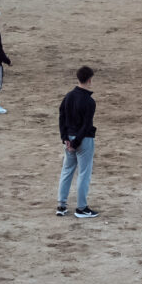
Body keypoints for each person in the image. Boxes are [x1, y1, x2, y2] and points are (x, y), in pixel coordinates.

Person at [57, 66, 99, 218]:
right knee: (84, 173)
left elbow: (61, 117)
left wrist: (65, 139)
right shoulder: (89, 102)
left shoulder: (68, 96)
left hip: (69, 138)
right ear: (89, 80)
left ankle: (61, 206)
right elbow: (86, 125)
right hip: (83, 140)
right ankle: (81, 208)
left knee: (67, 171)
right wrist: (75, 144)